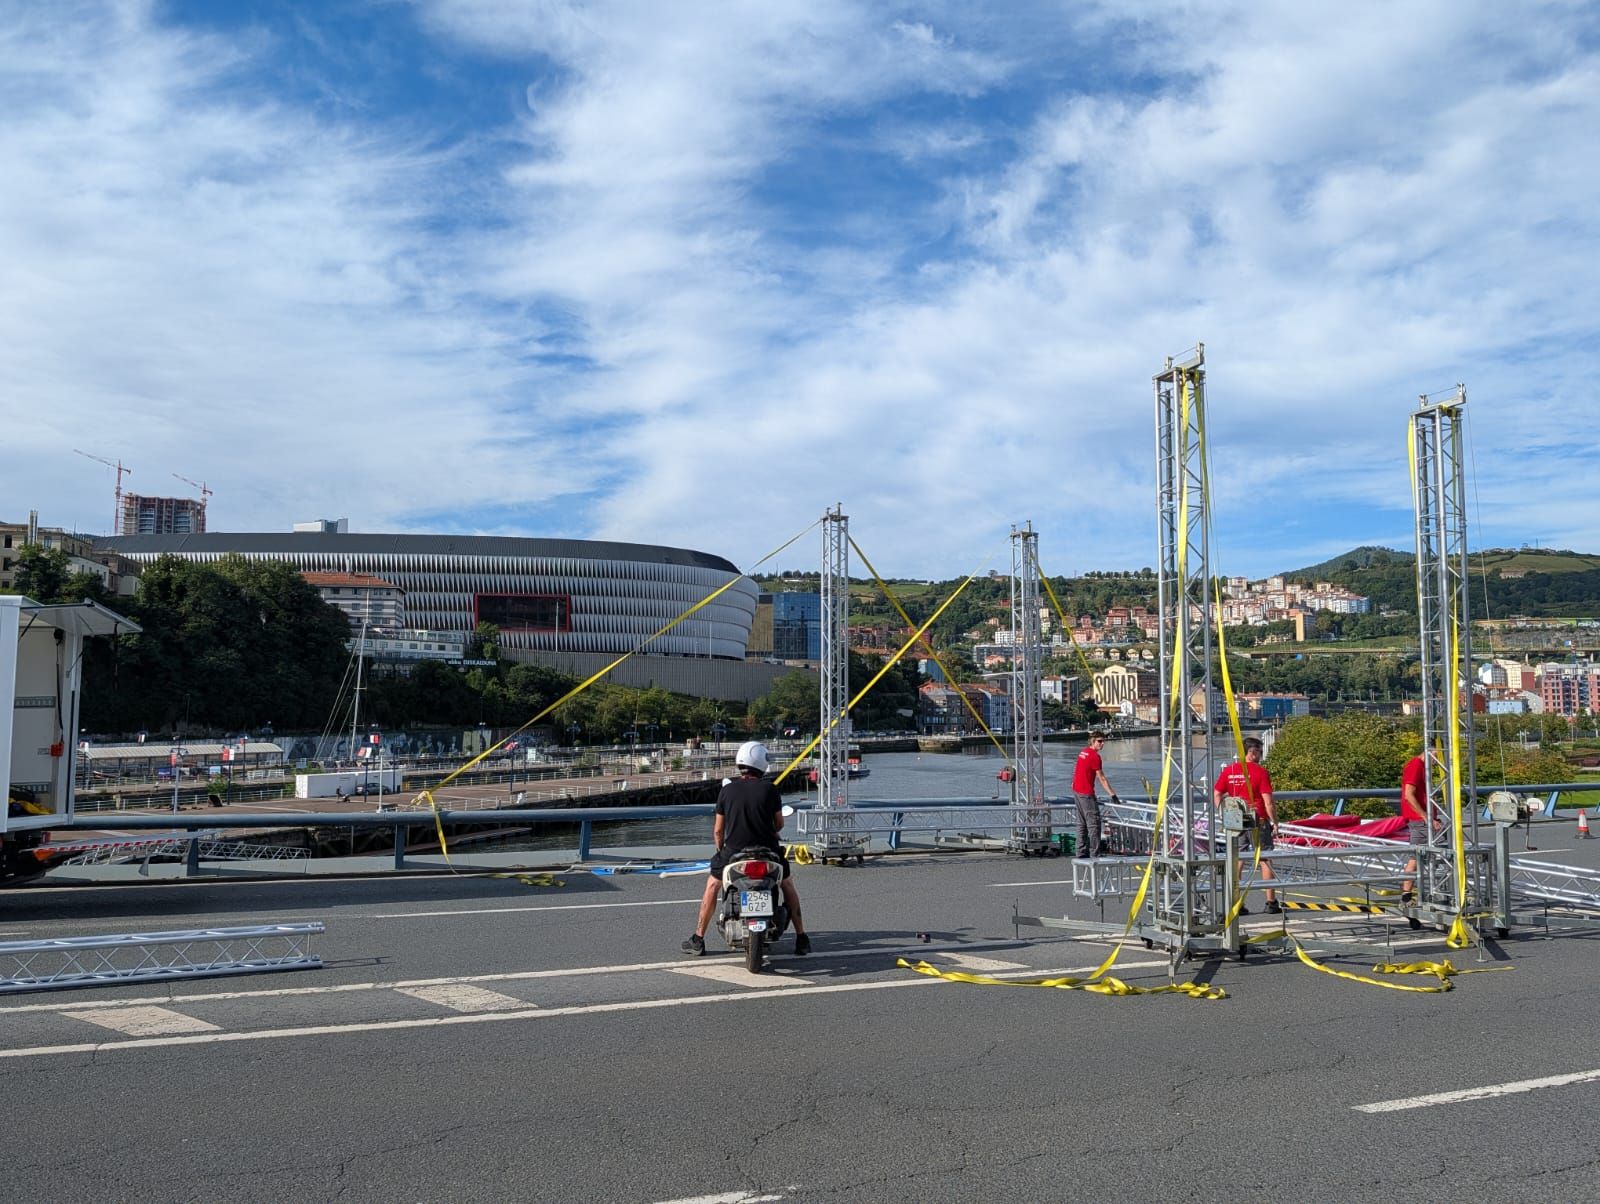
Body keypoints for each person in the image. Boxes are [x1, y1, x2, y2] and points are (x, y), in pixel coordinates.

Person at [682, 741, 810, 956]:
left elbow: (718, 830)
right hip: (768, 851)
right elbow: (779, 823)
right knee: (787, 884)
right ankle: (801, 937)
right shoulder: (770, 789)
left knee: (712, 885)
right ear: (762, 763)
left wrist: (720, 851)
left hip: (734, 853)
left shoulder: (727, 791)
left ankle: (698, 938)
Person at [1214, 736, 1280, 914]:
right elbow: (1268, 802)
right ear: (1253, 752)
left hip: (1235, 817)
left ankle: (1236, 903)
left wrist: (1223, 812)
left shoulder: (1229, 771)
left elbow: (1217, 793)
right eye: (1259, 751)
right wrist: (1275, 822)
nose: (1260, 755)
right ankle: (1271, 902)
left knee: (1238, 858)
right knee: (1265, 858)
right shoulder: (1260, 772)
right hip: (1257, 818)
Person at [1072, 731, 1119, 858]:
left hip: (1077, 791)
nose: (1102, 744)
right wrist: (1113, 795)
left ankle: (1080, 852)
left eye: (1103, 741)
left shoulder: (1083, 752)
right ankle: (1095, 853)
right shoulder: (1094, 757)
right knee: (1094, 824)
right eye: (1100, 741)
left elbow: (1077, 770)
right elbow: (1101, 778)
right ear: (1093, 741)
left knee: (1082, 823)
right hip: (1086, 793)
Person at [1399, 753, 1428, 903]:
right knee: (1446, 849)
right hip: (1420, 820)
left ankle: (1406, 894)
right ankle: (1459, 890)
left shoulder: (1417, 765)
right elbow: (1408, 794)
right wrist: (1425, 816)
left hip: (1419, 819)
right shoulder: (1416, 765)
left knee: (1415, 857)